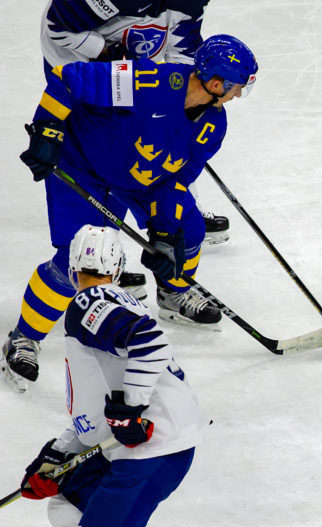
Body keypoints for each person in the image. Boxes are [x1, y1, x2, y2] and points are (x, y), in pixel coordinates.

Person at [1, 33, 258, 390]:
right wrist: (48, 129)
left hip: (136, 180)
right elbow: (66, 79)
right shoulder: (147, 82)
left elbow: (177, 181)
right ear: (216, 83)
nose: (238, 95)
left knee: (188, 227)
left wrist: (165, 236)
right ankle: (24, 337)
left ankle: (173, 291)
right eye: (236, 87)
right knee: (78, 256)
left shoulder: (213, 126)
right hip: (83, 167)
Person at [38, 0, 233, 302]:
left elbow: (187, 51)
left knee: (162, 179)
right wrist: (105, 53)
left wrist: (179, 100)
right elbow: (59, 29)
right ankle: (106, 266)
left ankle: (160, 269)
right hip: (87, 74)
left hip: (140, 84)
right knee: (102, 194)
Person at [18, 225, 208, 527]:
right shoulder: (121, 304)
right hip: (136, 444)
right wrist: (59, 453)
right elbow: (99, 400)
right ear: (118, 268)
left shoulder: (87, 302)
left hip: (151, 450)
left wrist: (129, 410)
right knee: (67, 508)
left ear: (71, 269)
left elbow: (152, 344)